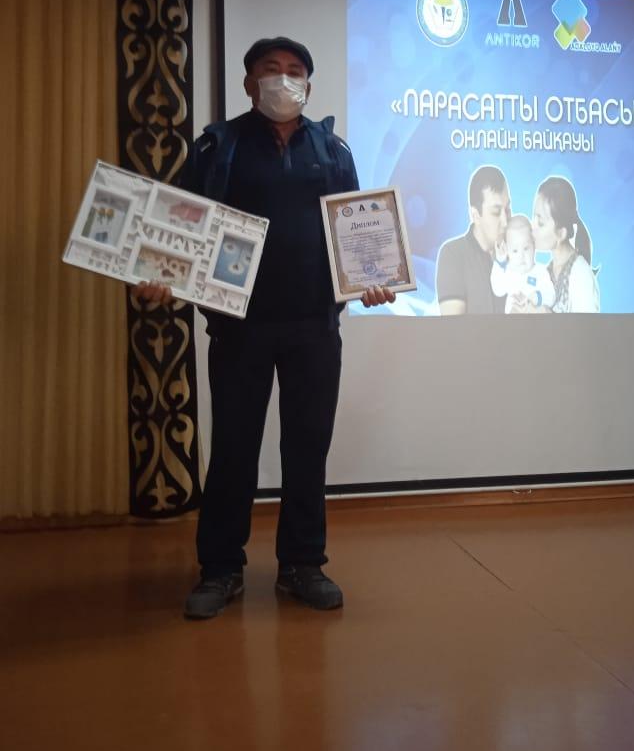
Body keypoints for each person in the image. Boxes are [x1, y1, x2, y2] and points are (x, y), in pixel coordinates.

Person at [134, 37, 395, 619]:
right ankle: (220, 569)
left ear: (308, 85)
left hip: (313, 325)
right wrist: (158, 274)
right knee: (233, 449)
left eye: (294, 70)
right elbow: (179, 222)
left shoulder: (333, 150)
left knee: (308, 448)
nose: (283, 79)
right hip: (240, 326)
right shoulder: (217, 146)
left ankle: (303, 565)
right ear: (249, 84)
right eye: (270, 70)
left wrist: (373, 279)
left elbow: (359, 231)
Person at [436, 165, 511, 315]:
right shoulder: (453, 254)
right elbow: (452, 326)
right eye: (496, 212)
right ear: (475, 215)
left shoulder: (518, 251)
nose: (505, 221)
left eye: (508, 209)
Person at [528, 176, 599, 313]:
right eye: (533, 217)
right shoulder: (545, 271)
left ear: (561, 234)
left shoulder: (581, 274)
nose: (532, 227)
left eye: (540, 223)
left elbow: (589, 325)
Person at [490, 213, 554, 313]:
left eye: (526, 248)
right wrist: (500, 262)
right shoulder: (508, 271)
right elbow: (497, 290)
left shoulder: (540, 271)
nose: (521, 256)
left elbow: (551, 296)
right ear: (507, 251)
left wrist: (536, 297)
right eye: (515, 251)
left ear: (534, 246)